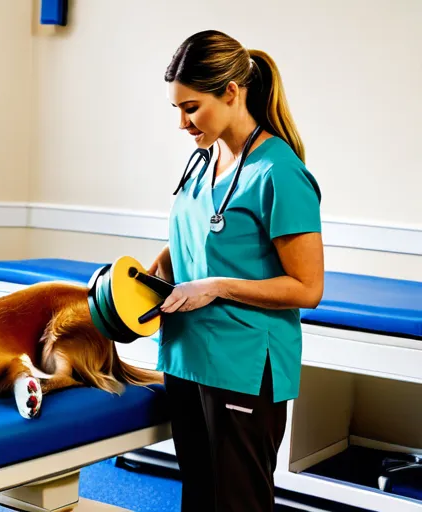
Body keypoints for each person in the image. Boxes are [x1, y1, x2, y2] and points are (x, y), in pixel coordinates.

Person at [148, 30, 324, 512]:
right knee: (200, 496)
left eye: (192, 107)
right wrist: (159, 265)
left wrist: (217, 286)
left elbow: (308, 288)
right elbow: (199, 231)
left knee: (238, 502)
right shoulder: (201, 159)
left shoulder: (278, 172)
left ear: (231, 92)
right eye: (177, 109)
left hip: (243, 362)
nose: (183, 123)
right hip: (188, 352)